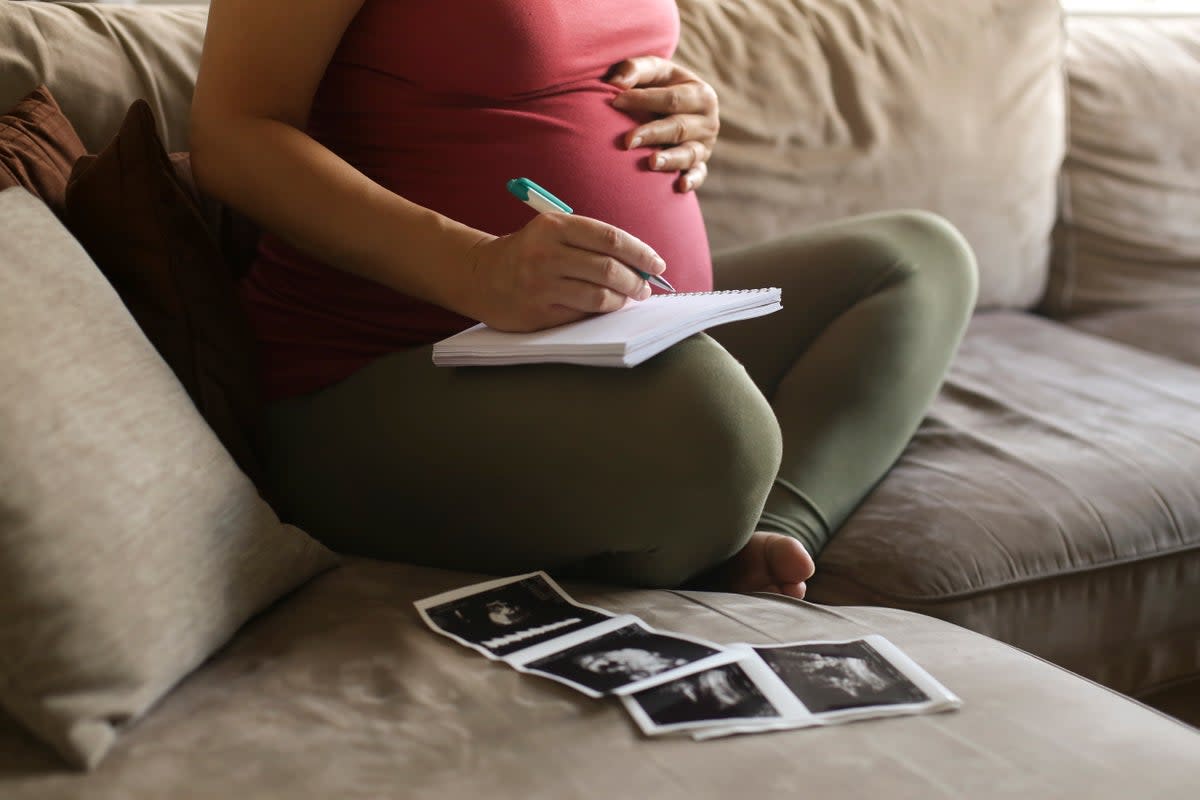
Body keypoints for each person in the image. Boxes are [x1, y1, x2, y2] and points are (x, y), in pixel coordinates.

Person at [189, 0, 977, 600]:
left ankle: (763, 540)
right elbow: (234, 133)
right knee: (715, 427)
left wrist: (687, 106)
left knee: (914, 260)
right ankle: (708, 509)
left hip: (619, 337)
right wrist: (474, 268)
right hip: (376, 372)